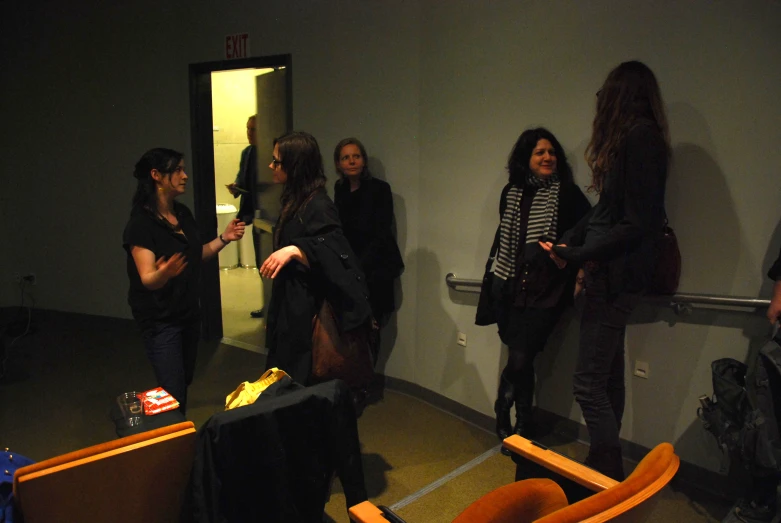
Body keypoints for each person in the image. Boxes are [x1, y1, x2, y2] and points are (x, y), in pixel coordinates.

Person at [540, 61, 670, 480]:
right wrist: (571, 241)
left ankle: (605, 470)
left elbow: (637, 222)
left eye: (604, 92)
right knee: (608, 378)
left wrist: (578, 254)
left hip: (614, 277)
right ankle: (607, 472)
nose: (599, 101)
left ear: (620, 94)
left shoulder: (640, 137)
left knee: (589, 384)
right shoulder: (638, 138)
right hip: (611, 274)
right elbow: (611, 211)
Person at [480, 128, 591, 452]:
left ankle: (505, 406)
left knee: (520, 356)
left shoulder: (567, 193)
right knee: (523, 359)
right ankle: (523, 426)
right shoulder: (511, 193)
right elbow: (506, 239)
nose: (547, 158)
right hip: (511, 286)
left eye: (551, 152)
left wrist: (563, 252)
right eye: (539, 152)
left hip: (547, 291)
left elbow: (589, 227)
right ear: (525, 159)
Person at [123, 148, 245, 414]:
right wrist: (164, 273)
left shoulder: (182, 213)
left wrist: (224, 238)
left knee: (182, 381)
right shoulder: (141, 225)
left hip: (188, 313)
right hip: (160, 319)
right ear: (156, 175)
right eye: (177, 169)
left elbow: (197, 253)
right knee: (172, 391)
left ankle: (175, 436)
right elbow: (147, 279)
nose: (185, 175)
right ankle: (173, 446)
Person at [259, 131, 372, 384]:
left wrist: (297, 249)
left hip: (306, 313)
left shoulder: (318, 204)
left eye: (277, 161)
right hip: (292, 308)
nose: (271, 166)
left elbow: (336, 252)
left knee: (300, 384)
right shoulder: (295, 199)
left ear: (295, 165)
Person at [333, 137, 404, 329]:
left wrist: (358, 266)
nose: (352, 161)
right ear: (339, 163)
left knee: (372, 328)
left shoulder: (380, 189)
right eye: (346, 157)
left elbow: (381, 232)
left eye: (356, 156)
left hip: (375, 268)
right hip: (350, 270)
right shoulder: (340, 189)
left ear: (363, 160)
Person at [226, 114, 264, 318]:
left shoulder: (269, 155)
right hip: (253, 214)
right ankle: (268, 303)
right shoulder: (247, 153)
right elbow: (242, 179)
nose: (248, 133)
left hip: (268, 215)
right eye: (247, 128)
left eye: (253, 129)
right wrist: (236, 188)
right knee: (260, 261)